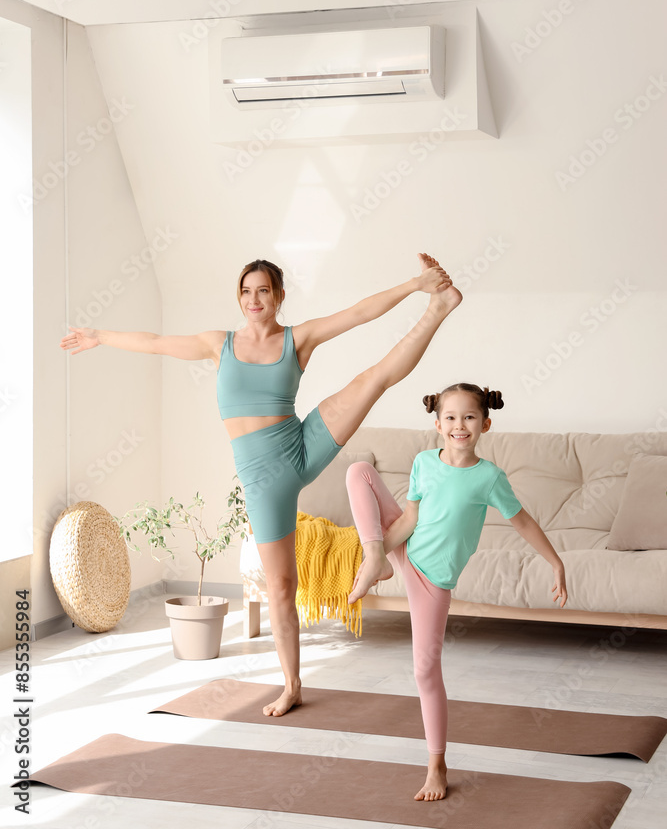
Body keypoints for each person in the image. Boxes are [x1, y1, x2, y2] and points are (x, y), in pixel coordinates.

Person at [60, 253, 462, 717]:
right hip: (264, 479)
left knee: (373, 379)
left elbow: (357, 313)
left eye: (264, 291)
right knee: (281, 585)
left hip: (301, 442)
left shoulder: (298, 339)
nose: (254, 299)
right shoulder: (219, 344)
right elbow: (155, 342)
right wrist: (99, 336)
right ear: (240, 297)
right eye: (247, 291)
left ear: (279, 297)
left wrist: (416, 285)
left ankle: (440, 307)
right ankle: (291, 684)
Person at [345, 382, 568, 802]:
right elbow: (410, 517)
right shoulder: (424, 462)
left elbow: (523, 523)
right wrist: (385, 550)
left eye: (468, 417)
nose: (459, 425)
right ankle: (374, 561)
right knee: (358, 471)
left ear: (485, 423)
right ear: (437, 424)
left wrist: (555, 562)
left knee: (425, 672)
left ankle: (437, 765)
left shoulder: (489, 478)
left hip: (432, 581)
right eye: (450, 417)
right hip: (401, 550)